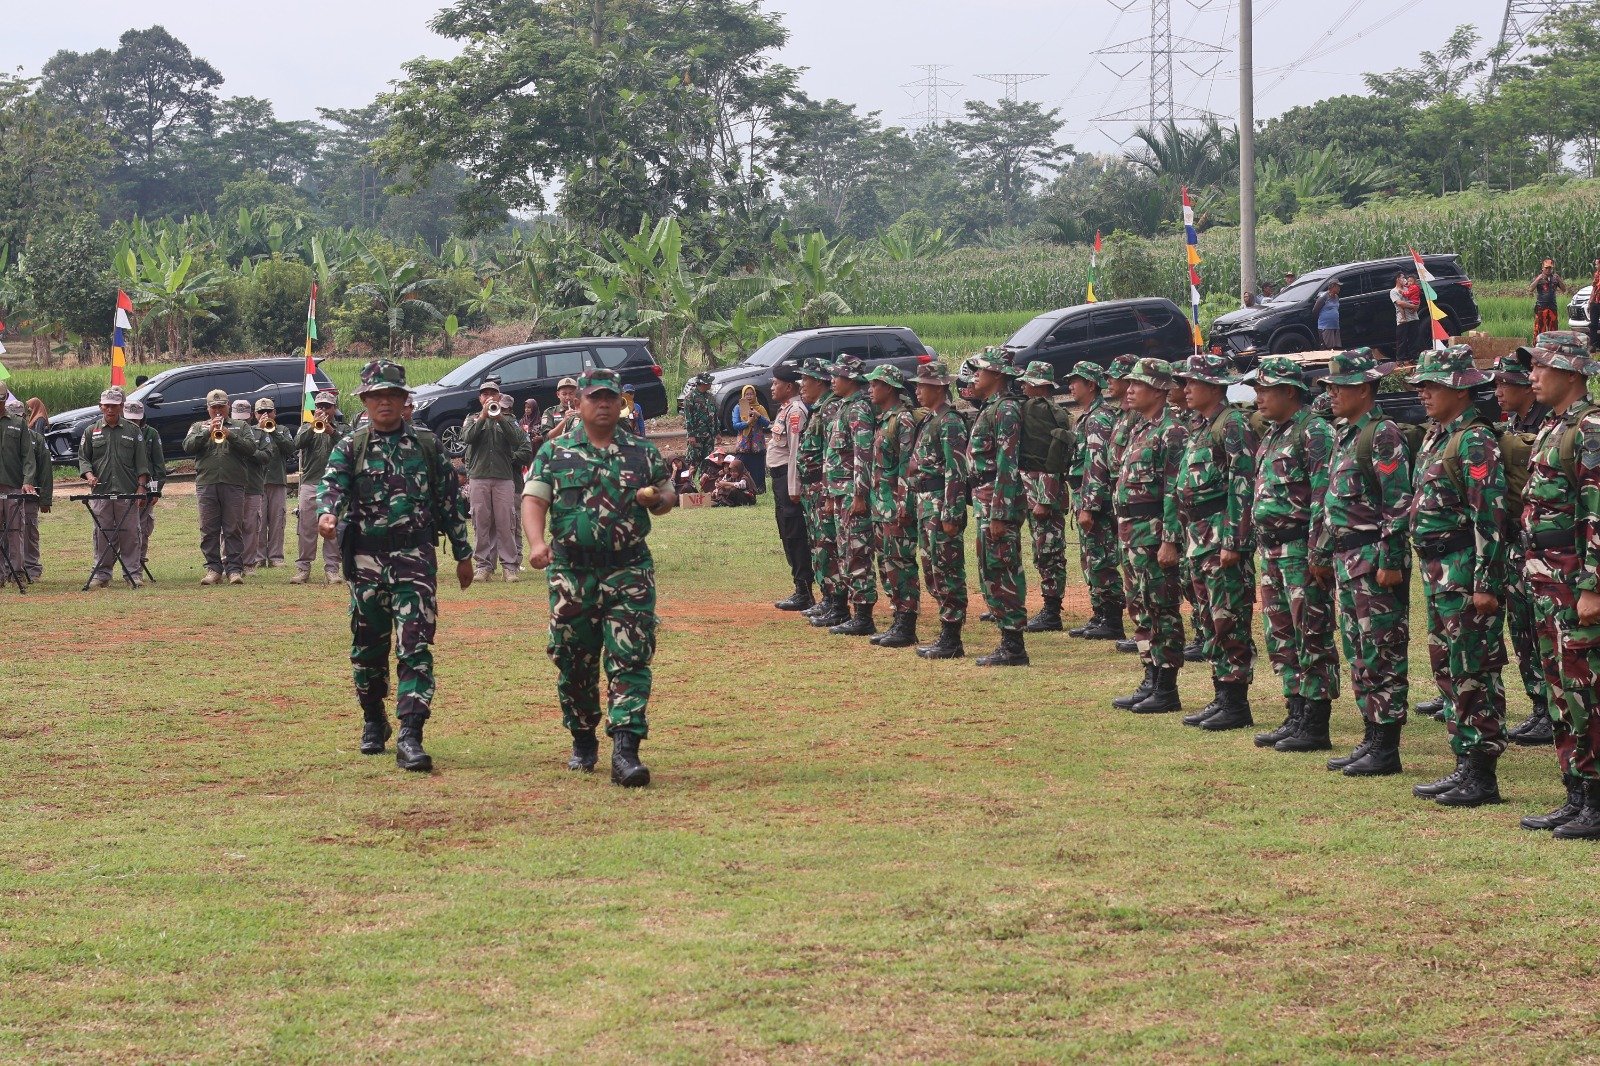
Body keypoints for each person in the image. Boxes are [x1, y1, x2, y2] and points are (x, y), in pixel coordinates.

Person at [522, 366, 676, 787]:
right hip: (572, 572)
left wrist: (657, 500)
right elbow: (534, 499)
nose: (604, 404)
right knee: (574, 660)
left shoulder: (641, 451)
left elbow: (668, 494)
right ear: (579, 402)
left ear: (620, 401)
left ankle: (626, 749)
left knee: (631, 657)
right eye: (595, 397)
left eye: (611, 397)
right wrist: (536, 543)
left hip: (629, 569)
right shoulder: (555, 452)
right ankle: (582, 735)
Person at [318, 359, 474, 773]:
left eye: (392, 395)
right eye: (376, 396)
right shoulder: (351, 446)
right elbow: (332, 486)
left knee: (415, 646)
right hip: (365, 562)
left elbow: (449, 501)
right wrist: (327, 513)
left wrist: (463, 553)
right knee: (367, 648)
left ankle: (411, 733)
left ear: (405, 400)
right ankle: (374, 719)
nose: (384, 402)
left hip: (415, 561)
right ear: (365, 401)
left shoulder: (426, 445)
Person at [1405, 345, 1510, 807]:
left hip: (1465, 571)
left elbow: (1490, 516)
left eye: (1433, 385)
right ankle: (1464, 760)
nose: (1423, 393)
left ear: (1460, 389)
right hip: (1438, 572)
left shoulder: (1474, 440)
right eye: (1422, 386)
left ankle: (1482, 773)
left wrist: (1486, 582)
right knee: (1448, 666)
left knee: (1474, 668)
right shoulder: (1438, 436)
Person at [1309, 348, 1413, 777]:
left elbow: (1397, 502)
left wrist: (1391, 559)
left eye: (1340, 387)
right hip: (1347, 558)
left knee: (1382, 649)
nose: (1332, 394)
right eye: (1330, 387)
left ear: (1365, 389)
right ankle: (1371, 736)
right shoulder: (1346, 433)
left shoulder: (1381, 434)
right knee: (1359, 649)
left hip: (1372, 560)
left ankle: (1386, 747)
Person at [1518, 331, 1600, 836]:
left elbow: (1596, 512)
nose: (1532, 376)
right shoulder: (1555, 425)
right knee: (1559, 689)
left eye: (1541, 367)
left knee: (1585, 687)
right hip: (1547, 582)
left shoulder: (1590, 430)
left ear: (1571, 373)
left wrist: (1593, 585)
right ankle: (1576, 791)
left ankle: (1597, 800)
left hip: (1574, 583)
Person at [1248, 357, 1341, 753]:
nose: (1258, 397)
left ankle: (1316, 722)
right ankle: (1296, 712)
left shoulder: (1314, 431)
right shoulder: (1274, 433)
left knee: (1311, 632)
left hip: (1301, 549)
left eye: (1265, 389)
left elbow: (1324, 496)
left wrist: (1319, 551)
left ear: (1290, 391)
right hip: (1272, 548)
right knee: (1281, 634)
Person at [1172, 353, 1261, 731]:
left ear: (1213, 386)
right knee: (1209, 619)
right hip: (1199, 536)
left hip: (1220, 536)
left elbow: (1243, 485)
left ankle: (1236, 703)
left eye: (1192, 382)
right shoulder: (1200, 425)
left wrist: (1234, 541)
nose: (1186, 389)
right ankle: (1221, 695)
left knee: (1229, 619)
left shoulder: (1233, 425)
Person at [1110, 358, 1188, 711]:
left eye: (1137, 384)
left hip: (1154, 534)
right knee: (1140, 609)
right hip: (1131, 533)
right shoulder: (1141, 428)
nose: (1129, 390)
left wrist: (1170, 540)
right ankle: (1150, 677)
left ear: (1158, 390)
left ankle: (1167, 688)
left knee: (1161, 608)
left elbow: (1174, 491)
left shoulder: (1173, 432)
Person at [1491, 351, 1554, 745]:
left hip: (1544, 546)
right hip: (1516, 542)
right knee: (1522, 629)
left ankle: (1553, 707)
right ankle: (1539, 705)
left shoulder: (1548, 423)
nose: (1499, 391)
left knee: (1541, 626)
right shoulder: (1513, 424)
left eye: (1506, 384)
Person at [966, 351, 1030, 667]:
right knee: (991, 568)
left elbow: (1008, 464)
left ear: (998, 375)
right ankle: (1007, 640)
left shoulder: (1005, 409)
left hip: (996, 501)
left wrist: (1000, 512)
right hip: (986, 498)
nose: (975, 374)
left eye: (981, 369)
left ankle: (1014, 646)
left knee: (1002, 567)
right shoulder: (992, 407)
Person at [906, 360, 970, 659]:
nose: (918, 391)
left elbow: (956, 471)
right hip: (926, 503)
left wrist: (952, 513)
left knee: (947, 568)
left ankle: (952, 637)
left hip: (941, 503)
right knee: (932, 567)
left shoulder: (950, 422)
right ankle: (947, 629)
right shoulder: (931, 419)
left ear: (939, 388)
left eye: (923, 386)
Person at [1065, 361, 1126, 641]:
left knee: (1101, 557)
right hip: (1086, 495)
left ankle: (1111, 619)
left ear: (1090, 384)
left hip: (1096, 500)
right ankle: (1100, 613)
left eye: (1075, 381)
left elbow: (1096, 463)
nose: (1070, 386)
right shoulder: (1090, 416)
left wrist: (1089, 505)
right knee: (1091, 557)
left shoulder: (1099, 418)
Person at [864, 365, 921, 649]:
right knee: (887, 563)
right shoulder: (884, 419)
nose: (870, 390)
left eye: (874, 385)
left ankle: (906, 624)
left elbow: (907, 466)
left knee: (900, 563)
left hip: (896, 505)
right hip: (881, 504)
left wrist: (904, 505)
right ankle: (898, 616)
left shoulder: (903, 420)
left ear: (889, 387)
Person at [822, 354, 879, 636]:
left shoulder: (858, 409)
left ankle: (864, 616)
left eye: (837, 375)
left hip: (852, 495)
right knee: (845, 552)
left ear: (851, 379)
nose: (832, 380)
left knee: (857, 553)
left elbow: (863, 455)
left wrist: (859, 494)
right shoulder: (844, 407)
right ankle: (853, 611)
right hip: (840, 493)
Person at [78, 386, 151, 590]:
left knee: (130, 533)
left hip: (127, 492)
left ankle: (132, 574)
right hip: (101, 492)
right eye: (106, 405)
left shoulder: (133, 430)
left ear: (121, 407)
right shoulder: (91, 431)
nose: (110, 409)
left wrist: (141, 488)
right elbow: (84, 459)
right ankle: (101, 574)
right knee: (102, 534)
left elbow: (141, 463)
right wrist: (89, 476)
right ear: (100, 407)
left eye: (114, 406)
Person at [185, 389, 260, 585]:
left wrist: (230, 435)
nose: (218, 411)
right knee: (208, 529)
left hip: (233, 483)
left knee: (233, 528)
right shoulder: (197, 426)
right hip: (207, 483)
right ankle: (213, 569)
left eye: (221, 406)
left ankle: (234, 569)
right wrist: (206, 432)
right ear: (207, 408)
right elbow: (187, 446)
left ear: (228, 406)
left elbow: (251, 448)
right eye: (214, 407)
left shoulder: (241, 426)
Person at [1016, 362, 1070, 634]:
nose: (1023, 386)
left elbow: (1054, 458)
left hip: (1043, 492)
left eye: (1027, 382)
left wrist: (1045, 499)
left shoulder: (1043, 412)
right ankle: (1049, 607)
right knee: (1043, 550)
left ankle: (1051, 611)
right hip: (1036, 490)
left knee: (1049, 551)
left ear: (1039, 385)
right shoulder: (1046, 411)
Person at [462, 378, 533, 582]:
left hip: (504, 478)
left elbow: (519, 440)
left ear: (499, 397)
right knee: (480, 522)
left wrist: (500, 418)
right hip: (479, 477)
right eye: (485, 394)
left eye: (493, 394)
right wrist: (483, 418)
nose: (489, 397)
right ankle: (483, 566)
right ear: (480, 398)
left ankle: (509, 567)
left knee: (506, 522)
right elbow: (467, 438)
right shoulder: (471, 419)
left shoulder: (509, 420)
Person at [797, 360, 847, 627]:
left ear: (819, 381)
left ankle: (838, 601)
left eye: (806, 379)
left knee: (828, 544)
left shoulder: (830, 409)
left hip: (823, 487)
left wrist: (827, 492)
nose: (801, 385)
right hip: (812, 488)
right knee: (818, 544)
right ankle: (828, 597)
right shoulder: (819, 408)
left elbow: (831, 455)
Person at [1107, 353, 1146, 655]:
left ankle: (1147, 630)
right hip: (1122, 501)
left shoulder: (1138, 418)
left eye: (1116, 377)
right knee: (1129, 569)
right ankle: (1141, 629)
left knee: (1144, 575)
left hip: (1143, 509)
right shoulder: (1122, 416)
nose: (1110, 381)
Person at [767, 364, 815, 611]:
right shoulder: (785, 409)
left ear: (788, 387)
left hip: (788, 478)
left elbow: (796, 451)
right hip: (780, 479)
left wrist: (794, 486)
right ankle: (800, 587)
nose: (772, 388)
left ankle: (804, 590)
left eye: (776, 384)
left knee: (795, 534)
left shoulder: (795, 411)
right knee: (786, 532)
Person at [293, 392, 343, 585]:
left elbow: (350, 448)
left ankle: (332, 569)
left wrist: (332, 432)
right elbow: (296, 444)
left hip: (335, 484)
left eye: (327, 406)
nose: (322, 410)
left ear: (334, 408)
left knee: (332, 527)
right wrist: (313, 427)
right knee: (306, 527)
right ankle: (303, 568)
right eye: (319, 406)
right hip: (310, 482)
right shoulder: (306, 427)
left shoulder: (343, 429)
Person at [0, 385, 39, 585]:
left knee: (15, 530)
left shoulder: (18, 423)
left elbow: (28, 457)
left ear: (5, 399)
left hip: (13, 485)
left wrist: (27, 481)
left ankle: (16, 572)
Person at [9, 396, 50, 582]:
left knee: (29, 532)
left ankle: (32, 569)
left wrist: (45, 499)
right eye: (14, 416)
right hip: (9, 493)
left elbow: (45, 470)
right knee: (8, 531)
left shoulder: (37, 440)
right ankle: (9, 569)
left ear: (25, 417)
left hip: (30, 495)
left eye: (20, 416)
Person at [252, 398, 293, 570]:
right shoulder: (251, 431)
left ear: (275, 413)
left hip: (277, 480)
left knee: (278, 520)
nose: (265, 414)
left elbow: (290, 448)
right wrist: (261, 431)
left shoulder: (283, 430)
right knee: (258, 521)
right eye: (261, 412)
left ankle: (276, 557)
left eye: (268, 411)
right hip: (257, 482)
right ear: (255, 414)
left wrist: (273, 431)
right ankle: (258, 557)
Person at [124, 399, 163, 578]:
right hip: (124, 487)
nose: (133, 422)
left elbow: (158, 465)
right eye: (129, 419)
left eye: (136, 419)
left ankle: (137, 567)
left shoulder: (151, 433)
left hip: (145, 489)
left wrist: (155, 490)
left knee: (143, 528)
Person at [236, 399, 269, 573]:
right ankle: (230, 563)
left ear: (250, 416)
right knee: (230, 527)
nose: (241, 422)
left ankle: (248, 564)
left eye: (244, 418)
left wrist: (248, 449)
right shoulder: (226, 431)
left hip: (253, 485)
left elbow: (266, 456)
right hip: (231, 485)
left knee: (251, 526)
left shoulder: (259, 433)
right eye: (238, 418)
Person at [731, 384, 770, 493]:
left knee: (758, 468)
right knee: (740, 466)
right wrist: (747, 423)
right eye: (746, 394)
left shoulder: (760, 408)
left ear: (755, 395)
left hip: (757, 445)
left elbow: (767, 423)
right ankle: (740, 488)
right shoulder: (738, 407)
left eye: (751, 394)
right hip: (743, 445)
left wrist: (758, 415)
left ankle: (759, 489)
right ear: (743, 395)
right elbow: (735, 425)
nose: (749, 396)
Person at [682, 372, 718, 481]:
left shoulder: (710, 397)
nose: (710, 384)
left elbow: (714, 415)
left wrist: (717, 432)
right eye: (709, 382)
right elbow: (688, 418)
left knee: (708, 461)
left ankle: (705, 486)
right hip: (696, 436)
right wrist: (691, 435)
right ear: (702, 383)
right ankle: (689, 485)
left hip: (709, 435)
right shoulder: (690, 397)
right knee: (694, 462)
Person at [1531, 259, 1567, 338]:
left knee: (1553, 330)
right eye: (1546, 268)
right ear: (1542, 268)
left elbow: (1564, 289)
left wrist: (1559, 280)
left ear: (1552, 268)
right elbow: (1530, 289)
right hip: (1541, 307)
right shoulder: (1538, 278)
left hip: (1552, 307)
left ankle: (1552, 344)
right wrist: (1538, 279)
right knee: (1539, 329)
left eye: (1550, 268)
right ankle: (1537, 344)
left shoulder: (1555, 278)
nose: (1548, 270)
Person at [1390, 273, 1422, 362]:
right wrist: (1412, 306)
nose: (1405, 279)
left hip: (1413, 317)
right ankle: (1400, 359)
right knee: (1402, 340)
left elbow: (1417, 297)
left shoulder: (1409, 288)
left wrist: (1417, 306)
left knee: (1414, 339)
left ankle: (1414, 357)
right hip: (1402, 319)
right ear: (1397, 279)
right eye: (1403, 277)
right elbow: (1399, 303)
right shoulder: (1393, 291)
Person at [1313, 280, 1342, 349]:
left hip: (1335, 326)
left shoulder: (1336, 297)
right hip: (1325, 327)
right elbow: (1315, 311)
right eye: (1338, 286)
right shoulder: (1323, 297)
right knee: (1326, 348)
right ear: (1332, 287)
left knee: (1335, 348)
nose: (1339, 288)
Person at [1589, 261, 1600, 353]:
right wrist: (1590, 301)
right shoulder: (1596, 275)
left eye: (1597, 264)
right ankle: (1593, 345)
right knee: (1593, 325)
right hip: (1595, 302)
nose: (1596, 266)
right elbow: (1594, 288)